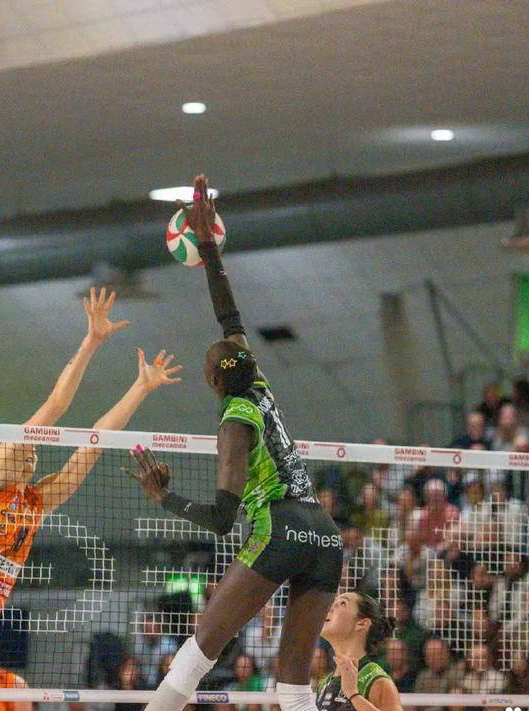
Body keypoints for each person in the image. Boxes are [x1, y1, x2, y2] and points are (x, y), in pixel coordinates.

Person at [0, 287, 180, 711]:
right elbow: (55, 405)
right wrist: (91, 341)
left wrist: (140, 388)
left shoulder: (36, 502)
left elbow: (94, 442)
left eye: (33, 451)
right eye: (26, 446)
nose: (32, 451)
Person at [125, 176, 343, 711]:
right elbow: (229, 315)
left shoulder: (234, 424)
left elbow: (223, 519)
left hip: (281, 528)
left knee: (199, 649)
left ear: (212, 380)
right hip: (325, 535)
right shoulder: (257, 381)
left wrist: (164, 498)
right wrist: (208, 247)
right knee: (294, 684)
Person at [315, 591, 403, 711]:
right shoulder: (324, 684)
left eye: (342, 603)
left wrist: (353, 694)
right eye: (333, 602)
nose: (330, 607)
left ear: (361, 624)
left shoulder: (377, 681)